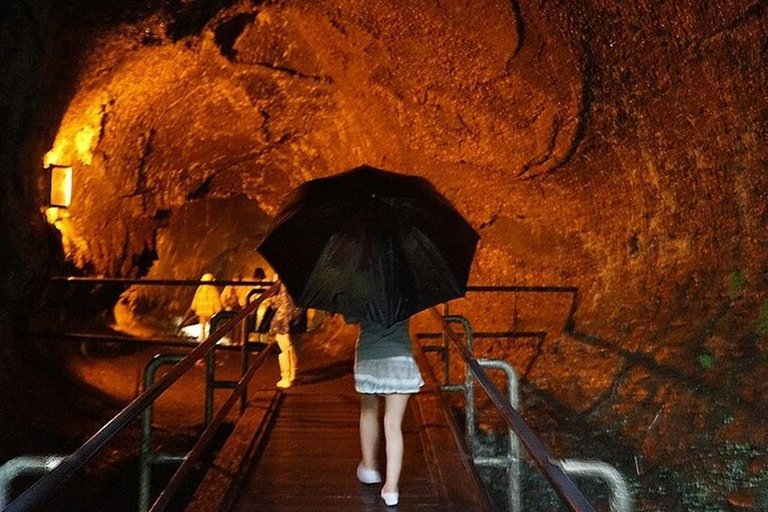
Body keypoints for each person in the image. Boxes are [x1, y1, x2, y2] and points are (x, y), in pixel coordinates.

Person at [352, 317, 424, 507]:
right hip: (400, 358)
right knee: (393, 424)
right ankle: (391, 488)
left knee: (368, 410)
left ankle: (369, 467)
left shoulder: (361, 290)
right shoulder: (403, 290)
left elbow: (350, 318)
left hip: (368, 356)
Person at [270, 279, 300, 388]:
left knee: (284, 346)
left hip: (282, 317)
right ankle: (292, 372)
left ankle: (286, 377)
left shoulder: (285, 283)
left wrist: (272, 300)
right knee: (288, 345)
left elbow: (281, 301)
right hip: (290, 316)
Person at [190, 272, 222, 342]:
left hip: (201, 310)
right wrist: (218, 309)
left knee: (202, 324)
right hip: (209, 311)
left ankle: (202, 337)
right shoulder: (213, 289)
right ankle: (207, 337)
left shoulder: (200, 289)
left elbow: (196, 298)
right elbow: (216, 300)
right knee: (208, 324)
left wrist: (194, 306)